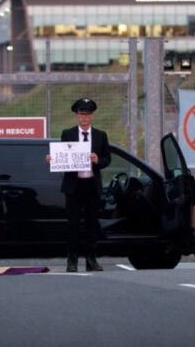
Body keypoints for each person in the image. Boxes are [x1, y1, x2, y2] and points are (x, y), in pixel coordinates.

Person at [49, 98, 111, 272]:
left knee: (92, 224)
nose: (84, 118)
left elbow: (107, 158)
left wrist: (98, 160)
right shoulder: (67, 134)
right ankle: (72, 261)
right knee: (73, 225)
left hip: (92, 185)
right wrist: (53, 160)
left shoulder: (100, 135)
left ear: (92, 116)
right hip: (74, 186)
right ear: (76, 116)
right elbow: (62, 155)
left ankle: (91, 260)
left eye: (87, 115)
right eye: (81, 115)